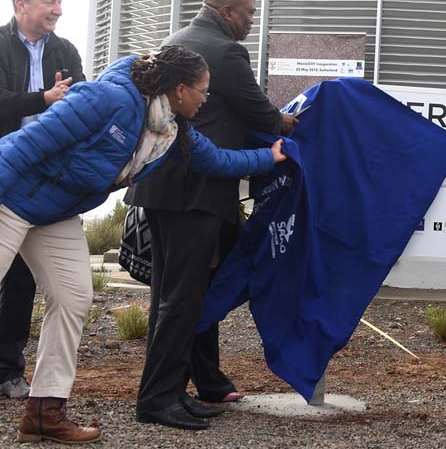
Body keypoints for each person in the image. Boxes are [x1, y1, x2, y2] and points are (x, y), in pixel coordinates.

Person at [0, 46, 287, 443]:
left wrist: (268, 157)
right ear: (180, 89)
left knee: (74, 298)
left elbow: (217, 161)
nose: (206, 99)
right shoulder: (108, 98)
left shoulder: (169, 129)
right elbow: (25, 146)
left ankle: (45, 412)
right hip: (10, 198)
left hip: (54, 212)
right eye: (203, 91)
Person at [129, 0, 298, 430]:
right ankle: (159, 398)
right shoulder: (225, 51)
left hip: (164, 188)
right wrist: (287, 121)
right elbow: (261, 113)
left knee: (174, 296)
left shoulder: (177, 39)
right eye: (249, 13)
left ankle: (184, 387)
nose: (251, 21)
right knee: (183, 300)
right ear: (227, 12)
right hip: (197, 192)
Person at [0, 0, 84, 401]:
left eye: (60, 1)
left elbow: (84, 103)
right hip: (4, 175)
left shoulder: (66, 50)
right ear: (21, 5)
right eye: (50, 2)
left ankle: (10, 372)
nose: (58, 10)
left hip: (46, 183)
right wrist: (42, 99)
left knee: (23, 283)